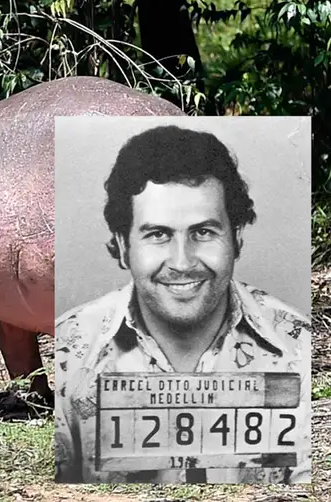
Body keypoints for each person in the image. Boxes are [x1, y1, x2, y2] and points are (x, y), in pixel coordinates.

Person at [54, 124, 311, 484]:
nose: (182, 261)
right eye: (158, 235)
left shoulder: (298, 347)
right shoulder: (69, 349)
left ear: (236, 237)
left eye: (203, 232)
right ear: (123, 245)